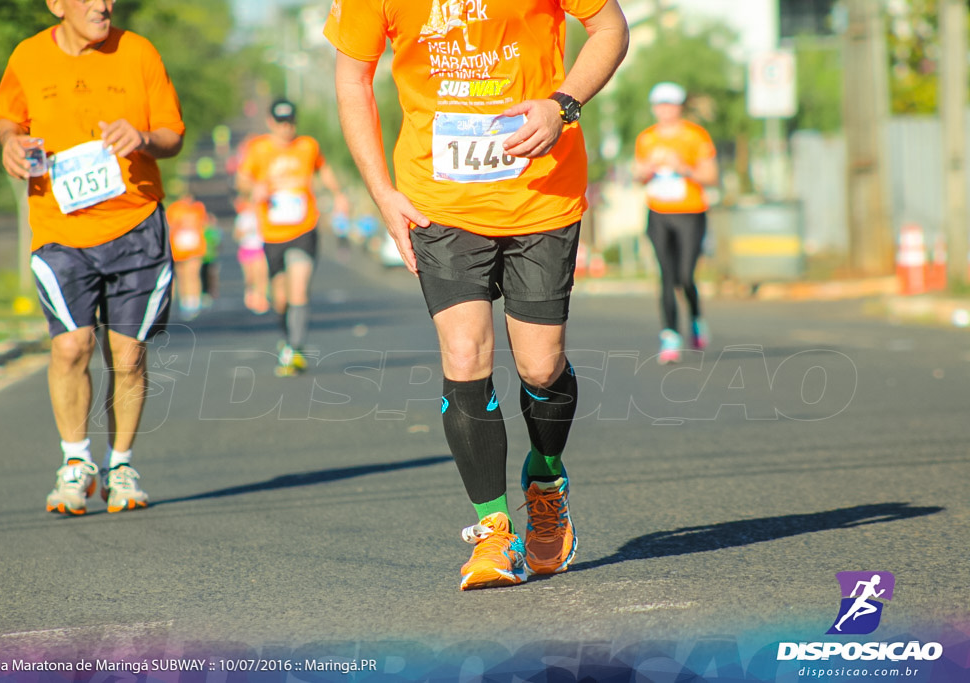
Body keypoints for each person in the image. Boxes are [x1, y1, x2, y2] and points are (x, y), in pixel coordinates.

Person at [325, 0, 629, 590]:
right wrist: (381, 192)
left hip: (541, 196)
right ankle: (493, 529)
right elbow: (352, 74)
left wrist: (562, 105)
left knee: (541, 367)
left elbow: (610, 27)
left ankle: (545, 480)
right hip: (437, 201)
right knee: (465, 355)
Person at [0, 0, 184, 515]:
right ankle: (75, 463)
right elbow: (8, 118)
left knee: (127, 356)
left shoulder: (138, 52)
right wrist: (11, 142)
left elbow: (173, 134)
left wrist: (142, 137)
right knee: (71, 347)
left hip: (134, 226)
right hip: (60, 228)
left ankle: (120, 465)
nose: (102, 5)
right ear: (56, 4)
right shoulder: (28, 57)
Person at [236, 98, 350, 376]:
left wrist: (338, 195)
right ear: (270, 122)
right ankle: (287, 339)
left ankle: (295, 349)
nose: (286, 128)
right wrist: (255, 187)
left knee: (299, 288)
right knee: (280, 297)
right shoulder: (259, 149)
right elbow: (241, 180)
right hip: (273, 233)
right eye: (280, 123)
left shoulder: (307, 146)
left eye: (290, 123)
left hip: (304, 228)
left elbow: (323, 168)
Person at [633, 81, 719, 364]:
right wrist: (645, 171)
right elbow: (637, 173)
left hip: (690, 213)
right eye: (660, 105)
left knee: (685, 275)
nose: (665, 110)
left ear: (679, 107)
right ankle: (670, 334)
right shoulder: (646, 138)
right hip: (658, 212)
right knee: (666, 276)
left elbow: (711, 175)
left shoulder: (695, 136)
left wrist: (684, 168)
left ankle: (695, 317)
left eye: (670, 105)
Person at [166, 190, 208, 319]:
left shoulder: (197, 208)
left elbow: (203, 223)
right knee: (182, 275)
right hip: (179, 248)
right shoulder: (174, 209)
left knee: (193, 274)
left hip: (194, 247)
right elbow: (170, 226)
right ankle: (185, 301)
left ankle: (194, 300)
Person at [232, 197, 270, 314]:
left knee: (261, 275)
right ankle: (250, 295)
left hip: (260, 248)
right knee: (250, 276)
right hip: (246, 249)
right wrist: (246, 232)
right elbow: (236, 235)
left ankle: (262, 299)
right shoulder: (242, 217)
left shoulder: (263, 214)